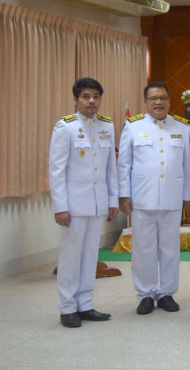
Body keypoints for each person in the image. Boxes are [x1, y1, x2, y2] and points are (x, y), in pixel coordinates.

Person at [118, 81, 190, 315]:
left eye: (163, 98)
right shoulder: (132, 126)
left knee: (170, 248)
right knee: (144, 248)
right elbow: (124, 165)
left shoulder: (182, 127)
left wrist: (188, 195)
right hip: (142, 198)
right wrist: (124, 194)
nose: (158, 102)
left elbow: (187, 165)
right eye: (153, 98)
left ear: (170, 101)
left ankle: (167, 293)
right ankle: (146, 294)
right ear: (145, 102)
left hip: (172, 197)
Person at [49, 78, 118, 328]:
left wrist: (112, 200)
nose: (92, 101)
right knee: (70, 257)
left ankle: (85, 304)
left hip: (98, 202)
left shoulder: (106, 126)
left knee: (90, 256)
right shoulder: (65, 127)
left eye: (96, 96)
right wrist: (60, 206)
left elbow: (111, 168)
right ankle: (67, 307)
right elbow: (56, 170)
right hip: (73, 205)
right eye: (86, 96)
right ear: (76, 99)